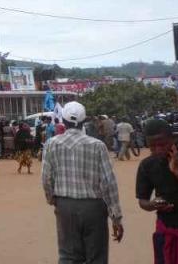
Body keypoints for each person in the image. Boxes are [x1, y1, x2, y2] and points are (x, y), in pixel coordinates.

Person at [42, 101, 124, 264]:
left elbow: (46, 178)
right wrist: (116, 217)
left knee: (68, 256)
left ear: (63, 122)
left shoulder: (52, 144)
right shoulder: (97, 146)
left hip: (65, 206)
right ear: (83, 121)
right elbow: (108, 182)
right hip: (93, 207)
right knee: (96, 257)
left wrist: (53, 199)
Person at [136, 118, 178, 263]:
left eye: (162, 144)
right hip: (166, 235)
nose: (158, 150)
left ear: (173, 139)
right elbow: (143, 201)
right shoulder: (147, 166)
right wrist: (154, 204)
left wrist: (177, 172)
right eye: (152, 146)